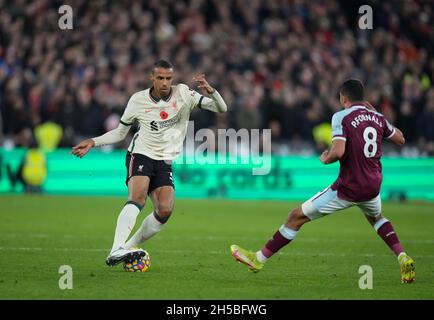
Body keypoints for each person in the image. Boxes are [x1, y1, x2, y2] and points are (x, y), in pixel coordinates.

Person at [231, 79, 416, 283]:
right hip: (373, 185)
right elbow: (400, 139)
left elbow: (338, 151)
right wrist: (379, 115)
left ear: (343, 97)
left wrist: (326, 157)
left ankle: (258, 259)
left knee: (296, 217)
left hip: (349, 187)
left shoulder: (341, 116)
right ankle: (402, 256)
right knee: (377, 218)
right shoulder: (377, 117)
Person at [71, 60, 228, 266]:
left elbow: (221, 108)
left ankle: (126, 248)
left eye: (168, 78)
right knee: (138, 197)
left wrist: (212, 92)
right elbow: (120, 132)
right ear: (152, 78)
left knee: (165, 209)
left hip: (164, 159)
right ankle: (116, 248)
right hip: (141, 154)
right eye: (160, 78)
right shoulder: (138, 100)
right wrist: (94, 142)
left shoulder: (184, 93)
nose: (165, 83)